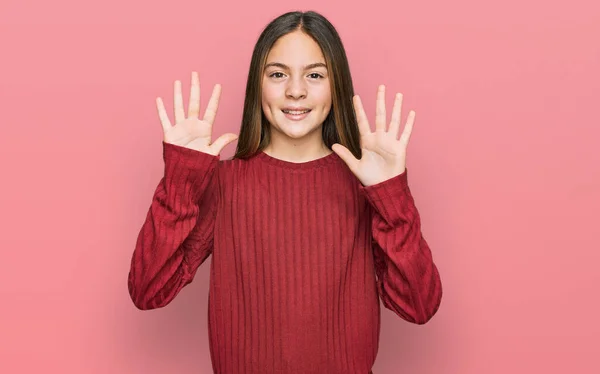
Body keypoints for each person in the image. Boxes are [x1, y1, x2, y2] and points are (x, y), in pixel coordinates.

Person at [127, 10, 442, 374]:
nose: (296, 90)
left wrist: (391, 196)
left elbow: (419, 306)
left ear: (336, 83)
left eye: (314, 75)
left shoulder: (366, 186)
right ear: (257, 86)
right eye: (278, 74)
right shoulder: (224, 184)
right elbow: (148, 291)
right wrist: (180, 181)